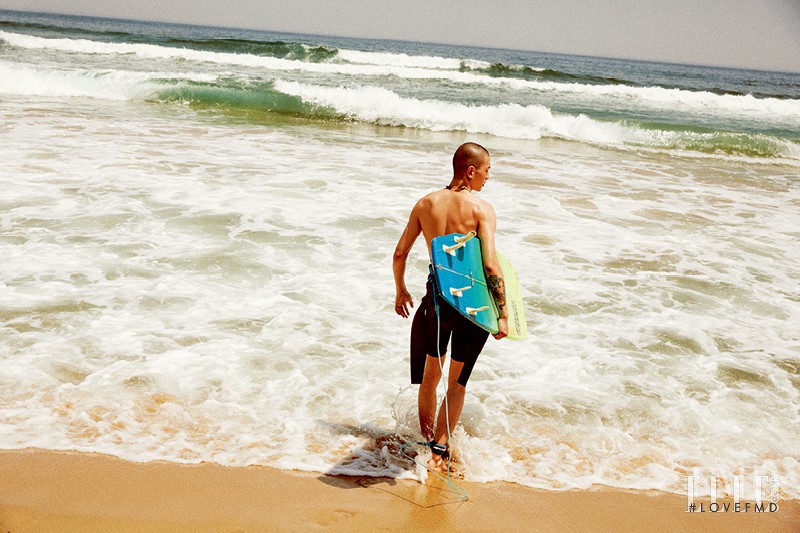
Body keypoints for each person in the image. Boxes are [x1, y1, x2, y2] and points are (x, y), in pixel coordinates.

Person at [393, 142, 508, 472]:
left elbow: (400, 253)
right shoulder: (481, 210)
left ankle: (426, 443)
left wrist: (400, 290)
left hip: (436, 302)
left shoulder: (426, 203)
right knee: (457, 383)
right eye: (487, 172)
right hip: (470, 303)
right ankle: (440, 452)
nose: (487, 179)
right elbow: (490, 265)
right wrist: (501, 314)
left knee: (432, 376)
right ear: (471, 171)